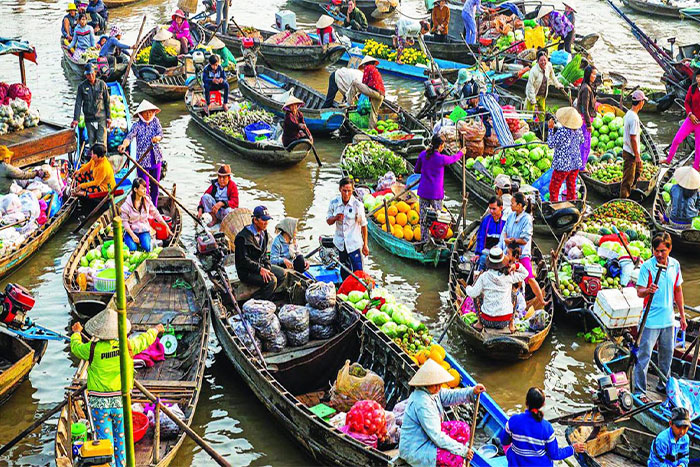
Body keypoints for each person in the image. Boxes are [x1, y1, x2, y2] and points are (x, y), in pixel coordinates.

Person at [70, 310, 163, 467]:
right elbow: (145, 340)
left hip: (99, 405)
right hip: (120, 402)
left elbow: (76, 347)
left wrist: (77, 333)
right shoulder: (127, 345)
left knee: (106, 442)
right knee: (121, 440)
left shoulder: (92, 349)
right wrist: (156, 329)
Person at [398, 358, 486, 466]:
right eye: (435, 385)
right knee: (455, 458)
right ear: (425, 384)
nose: (439, 388)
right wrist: (462, 451)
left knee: (462, 429)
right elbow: (436, 436)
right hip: (416, 448)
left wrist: (472, 391)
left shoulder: (433, 392)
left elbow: (451, 396)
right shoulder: (422, 403)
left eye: (440, 384)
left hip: (428, 437)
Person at [635, 232, 686, 398]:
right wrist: (648, 290)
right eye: (656, 250)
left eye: (662, 251)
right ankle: (640, 390)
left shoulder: (675, 266)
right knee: (644, 356)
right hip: (650, 321)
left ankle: (663, 385)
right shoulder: (647, 267)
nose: (658, 254)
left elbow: (678, 291)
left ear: (669, 249)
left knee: (667, 356)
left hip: (668, 320)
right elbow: (639, 292)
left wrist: (683, 316)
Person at [501, 387, 586, 465]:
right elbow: (555, 455)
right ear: (543, 404)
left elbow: (504, 441)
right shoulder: (547, 428)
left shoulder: (513, 420)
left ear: (526, 402)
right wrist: (572, 449)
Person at [414, 135, 463, 248]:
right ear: (440, 146)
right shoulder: (441, 158)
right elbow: (453, 159)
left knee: (423, 218)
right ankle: (438, 239)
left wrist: (426, 169)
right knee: (439, 218)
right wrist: (461, 152)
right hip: (436, 193)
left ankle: (424, 240)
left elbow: (416, 170)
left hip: (424, 191)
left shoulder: (423, 154)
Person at [498, 192, 545, 307]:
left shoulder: (527, 219)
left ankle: (542, 300)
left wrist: (513, 240)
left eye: (513, 203)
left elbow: (525, 240)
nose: (511, 205)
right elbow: (504, 231)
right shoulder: (511, 216)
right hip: (509, 251)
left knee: (529, 278)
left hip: (521, 253)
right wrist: (505, 240)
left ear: (519, 205)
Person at [466, 247, 529, 332]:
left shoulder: (484, 276)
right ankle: (511, 324)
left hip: (487, 320)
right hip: (505, 321)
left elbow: (473, 293)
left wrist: (468, 288)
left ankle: (479, 323)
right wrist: (516, 265)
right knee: (514, 295)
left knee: (477, 295)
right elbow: (526, 273)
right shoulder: (509, 276)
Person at [234, 206, 287, 300]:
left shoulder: (264, 233)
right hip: (247, 271)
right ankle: (257, 300)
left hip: (260, 265)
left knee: (282, 273)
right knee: (272, 281)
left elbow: (265, 254)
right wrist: (260, 269)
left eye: (267, 220)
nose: (266, 223)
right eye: (263, 220)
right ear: (255, 220)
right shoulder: (242, 238)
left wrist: (267, 267)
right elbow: (243, 261)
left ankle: (266, 295)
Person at [117, 100, 164, 205]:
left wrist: (157, 138)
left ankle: (154, 208)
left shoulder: (156, 121)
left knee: (155, 186)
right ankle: (146, 209)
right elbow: (129, 137)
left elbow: (161, 134)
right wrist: (124, 145)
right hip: (143, 162)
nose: (148, 114)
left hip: (156, 159)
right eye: (146, 112)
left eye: (151, 112)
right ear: (140, 114)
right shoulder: (137, 125)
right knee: (144, 189)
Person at [327, 177, 369, 281]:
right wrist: (336, 217)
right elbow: (328, 221)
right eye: (344, 190)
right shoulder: (334, 203)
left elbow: (364, 225)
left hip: (354, 243)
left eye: (349, 191)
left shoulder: (357, 205)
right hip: (341, 244)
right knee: (344, 271)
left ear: (352, 190)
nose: (346, 194)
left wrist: (365, 245)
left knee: (358, 272)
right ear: (340, 189)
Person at [120, 178, 172, 252]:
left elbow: (156, 214)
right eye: (142, 188)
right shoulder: (126, 205)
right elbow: (125, 222)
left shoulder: (147, 201)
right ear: (135, 189)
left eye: (145, 188)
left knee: (147, 247)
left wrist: (166, 225)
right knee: (132, 249)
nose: (145, 190)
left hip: (144, 230)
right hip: (131, 231)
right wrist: (133, 235)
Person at [547, 106, 584, 202]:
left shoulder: (562, 131)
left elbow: (551, 144)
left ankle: (555, 206)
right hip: (575, 163)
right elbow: (581, 141)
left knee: (553, 188)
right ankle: (572, 204)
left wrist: (550, 129)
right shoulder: (578, 130)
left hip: (563, 164)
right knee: (571, 187)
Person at [666, 70, 700, 170]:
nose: (698, 79)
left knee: (698, 148)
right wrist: (690, 114)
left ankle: (696, 167)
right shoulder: (692, 88)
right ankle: (668, 160)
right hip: (690, 119)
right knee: (677, 140)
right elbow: (686, 103)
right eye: (697, 77)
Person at [72, 63, 110, 148]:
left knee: (102, 143)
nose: (91, 76)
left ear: (95, 73)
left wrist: (109, 117)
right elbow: (78, 103)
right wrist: (76, 119)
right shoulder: (82, 86)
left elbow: (107, 101)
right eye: (88, 74)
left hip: (101, 118)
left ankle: (103, 159)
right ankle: (93, 159)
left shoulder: (102, 84)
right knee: (92, 142)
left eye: (92, 73)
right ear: (86, 75)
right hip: (89, 119)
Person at [620, 90, 647, 199]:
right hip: (631, 153)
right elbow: (633, 138)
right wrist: (637, 156)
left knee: (638, 171)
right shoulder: (634, 118)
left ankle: (632, 193)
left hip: (628, 150)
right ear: (640, 102)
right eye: (643, 101)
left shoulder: (629, 114)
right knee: (627, 179)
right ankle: (624, 199)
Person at [348, 56, 385, 129]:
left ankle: (348, 102)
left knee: (354, 82)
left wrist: (358, 93)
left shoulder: (368, 68)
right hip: (381, 95)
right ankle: (371, 129)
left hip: (374, 92)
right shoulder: (375, 70)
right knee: (374, 113)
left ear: (366, 64)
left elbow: (364, 83)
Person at [525, 50, 565, 115]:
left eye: (545, 60)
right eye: (541, 61)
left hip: (542, 94)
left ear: (547, 60)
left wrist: (557, 84)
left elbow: (552, 76)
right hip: (533, 93)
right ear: (537, 61)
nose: (543, 62)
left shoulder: (549, 66)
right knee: (530, 114)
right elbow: (530, 86)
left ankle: (541, 123)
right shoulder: (534, 71)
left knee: (542, 113)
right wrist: (533, 100)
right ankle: (529, 123)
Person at [474, 196, 505, 270]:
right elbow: (481, 237)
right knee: (482, 260)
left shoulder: (506, 221)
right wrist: (478, 253)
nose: (491, 211)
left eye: (494, 209)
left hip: (501, 253)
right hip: (487, 251)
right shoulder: (486, 220)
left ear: (501, 208)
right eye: (490, 208)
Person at [577, 65, 597, 170]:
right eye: (593, 74)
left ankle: (581, 164)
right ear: (588, 74)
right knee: (585, 145)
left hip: (585, 120)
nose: (595, 76)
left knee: (585, 143)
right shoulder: (586, 89)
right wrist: (588, 124)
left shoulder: (587, 86)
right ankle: (581, 166)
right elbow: (584, 108)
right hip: (584, 121)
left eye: (595, 74)